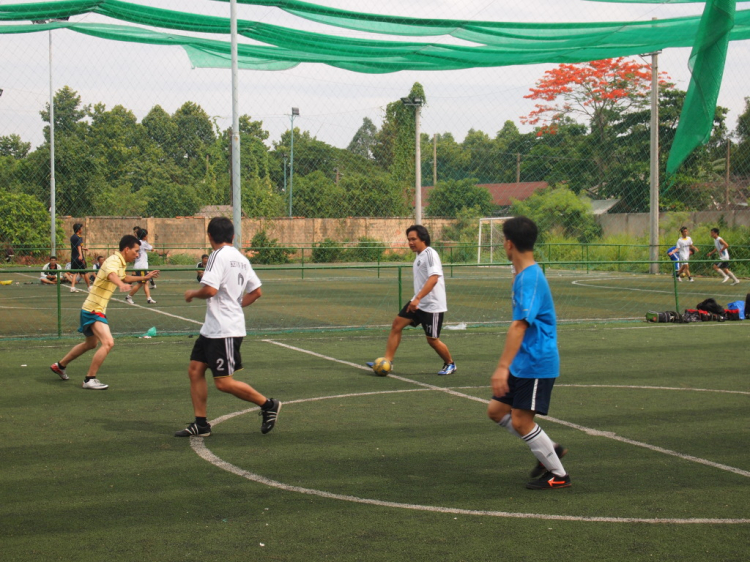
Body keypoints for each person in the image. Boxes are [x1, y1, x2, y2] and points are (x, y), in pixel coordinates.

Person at [174, 217, 280, 437]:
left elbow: (210, 290)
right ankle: (201, 424)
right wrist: (236, 304)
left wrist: (193, 293)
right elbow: (257, 291)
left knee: (223, 383)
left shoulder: (217, 256)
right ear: (233, 236)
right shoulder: (241, 258)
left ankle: (268, 405)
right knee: (195, 370)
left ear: (210, 237)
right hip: (213, 328)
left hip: (224, 330)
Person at [487, 216, 571, 490]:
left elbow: (519, 326)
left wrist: (501, 367)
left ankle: (558, 474)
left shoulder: (531, 279)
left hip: (536, 360)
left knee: (522, 420)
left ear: (509, 244)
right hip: (524, 362)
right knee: (497, 410)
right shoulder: (523, 275)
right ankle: (550, 449)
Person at [50, 235, 160, 390]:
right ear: (126, 249)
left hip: (91, 308)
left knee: (91, 343)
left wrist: (145, 276)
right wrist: (120, 284)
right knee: (108, 342)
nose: (137, 254)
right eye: (136, 251)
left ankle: (60, 365)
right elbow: (112, 275)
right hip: (94, 309)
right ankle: (89, 379)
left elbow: (123, 276)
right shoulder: (113, 261)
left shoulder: (120, 262)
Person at [367, 225, 456, 375]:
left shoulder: (430, 254)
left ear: (423, 238)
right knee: (396, 325)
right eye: (409, 239)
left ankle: (450, 364)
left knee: (432, 340)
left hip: (432, 305)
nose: (410, 242)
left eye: (413, 239)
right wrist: (416, 299)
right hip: (418, 302)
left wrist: (419, 298)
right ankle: (387, 361)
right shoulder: (419, 255)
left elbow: (434, 278)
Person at [125, 228, 158, 305]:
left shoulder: (136, 242)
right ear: (144, 236)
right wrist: (158, 252)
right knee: (141, 283)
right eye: (146, 235)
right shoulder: (143, 243)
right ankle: (129, 296)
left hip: (138, 265)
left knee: (145, 283)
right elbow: (152, 249)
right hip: (142, 267)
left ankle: (149, 298)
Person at [68, 223, 91, 293]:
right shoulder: (79, 237)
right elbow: (78, 246)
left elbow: (76, 246)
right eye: (81, 228)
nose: (82, 229)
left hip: (73, 257)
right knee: (85, 272)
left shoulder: (72, 237)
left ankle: (72, 287)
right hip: (79, 258)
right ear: (78, 229)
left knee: (75, 273)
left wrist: (83, 248)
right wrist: (81, 255)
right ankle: (89, 287)